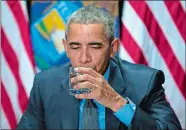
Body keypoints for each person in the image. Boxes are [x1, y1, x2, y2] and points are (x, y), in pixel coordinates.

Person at [17, 6, 181, 130]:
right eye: (75, 47)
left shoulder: (145, 81)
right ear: (65, 47)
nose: (83, 58)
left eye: (95, 46)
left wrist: (116, 102)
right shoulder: (45, 83)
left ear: (113, 47)